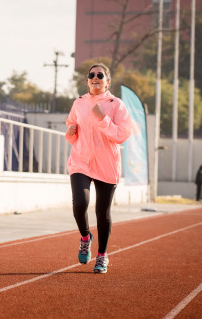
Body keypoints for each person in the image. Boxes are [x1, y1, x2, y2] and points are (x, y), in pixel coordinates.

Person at [65, 63, 131, 274]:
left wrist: (102, 118)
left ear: (107, 81)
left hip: (106, 165)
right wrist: (71, 132)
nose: (95, 77)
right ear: (87, 80)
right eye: (91, 75)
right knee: (80, 203)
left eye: (100, 75)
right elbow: (71, 131)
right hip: (81, 161)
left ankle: (102, 256)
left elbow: (122, 134)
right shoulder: (79, 103)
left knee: (102, 213)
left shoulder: (116, 104)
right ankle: (85, 237)